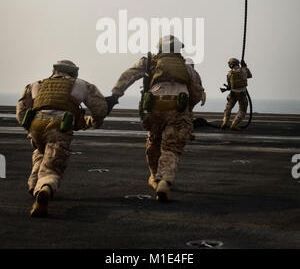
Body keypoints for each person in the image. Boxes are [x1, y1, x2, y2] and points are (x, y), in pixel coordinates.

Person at [106, 35, 204, 202]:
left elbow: (128, 75)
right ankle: (165, 181)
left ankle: (154, 177)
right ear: (178, 49)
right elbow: (196, 91)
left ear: (160, 47)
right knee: (170, 149)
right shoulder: (187, 68)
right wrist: (188, 110)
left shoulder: (150, 61)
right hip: (177, 109)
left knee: (153, 141)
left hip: (154, 108)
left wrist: (115, 96)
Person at [16, 60, 107, 217]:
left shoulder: (36, 84)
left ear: (55, 70)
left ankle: (33, 184)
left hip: (36, 125)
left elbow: (21, 113)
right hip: (59, 127)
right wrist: (96, 121)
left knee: (40, 151)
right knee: (53, 166)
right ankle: (45, 188)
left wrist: (30, 129)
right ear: (74, 72)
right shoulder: (82, 84)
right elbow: (100, 109)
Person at [221, 58, 252, 130]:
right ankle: (234, 124)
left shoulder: (229, 73)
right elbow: (250, 76)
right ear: (238, 63)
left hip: (233, 93)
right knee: (242, 110)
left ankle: (225, 121)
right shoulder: (244, 70)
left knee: (228, 107)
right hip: (242, 93)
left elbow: (229, 84)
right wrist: (245, 67)